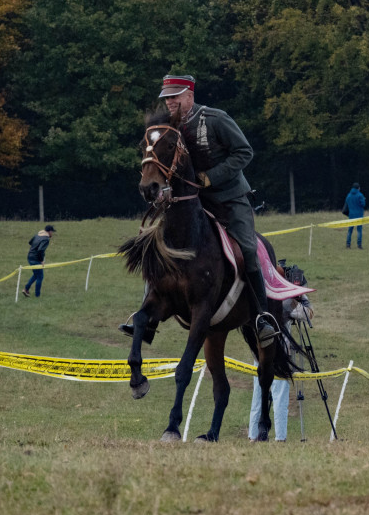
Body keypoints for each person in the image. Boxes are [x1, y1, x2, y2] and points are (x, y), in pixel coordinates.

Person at [119, 74, 278, 348]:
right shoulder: (167, 127)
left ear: (190, 95)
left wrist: (211, 177)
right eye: (167, 98)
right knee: (155, 247)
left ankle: (262, 317)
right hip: (192, 201)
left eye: (175, 96)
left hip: (230, 199)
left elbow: (244, 152)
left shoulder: (216, 119)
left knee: (249, 249)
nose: (170, 102)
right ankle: (146, 319)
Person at [249, 264, 314, 442]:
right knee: (280, 396)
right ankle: (280, 437)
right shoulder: (285, 300)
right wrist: (296, 296)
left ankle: (253, 434)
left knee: (258, 394)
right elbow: (308, 314)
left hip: (259, 353)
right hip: (280, 355)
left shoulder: (260, 293)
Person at [23, 225, 55, 298]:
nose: (52, 233)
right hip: (36, 259)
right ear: (49, 232)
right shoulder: (46, 239)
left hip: (29, 257)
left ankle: (26, 289)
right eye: (52, 232)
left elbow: (30, 242)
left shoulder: (37, 235)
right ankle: (37, 295)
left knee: (36, 274)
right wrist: (41, 260)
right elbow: (40, 250)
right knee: (40, 276)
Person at [344, 182, 366, 249]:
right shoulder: (360, 195)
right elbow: (363, 204)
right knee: (359, 230)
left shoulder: (348, 195)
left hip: (351, 215)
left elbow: (347, 204)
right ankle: (359, 245)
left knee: (350, 230)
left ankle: (348, 244)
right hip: (359, 215)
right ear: (358, 188)